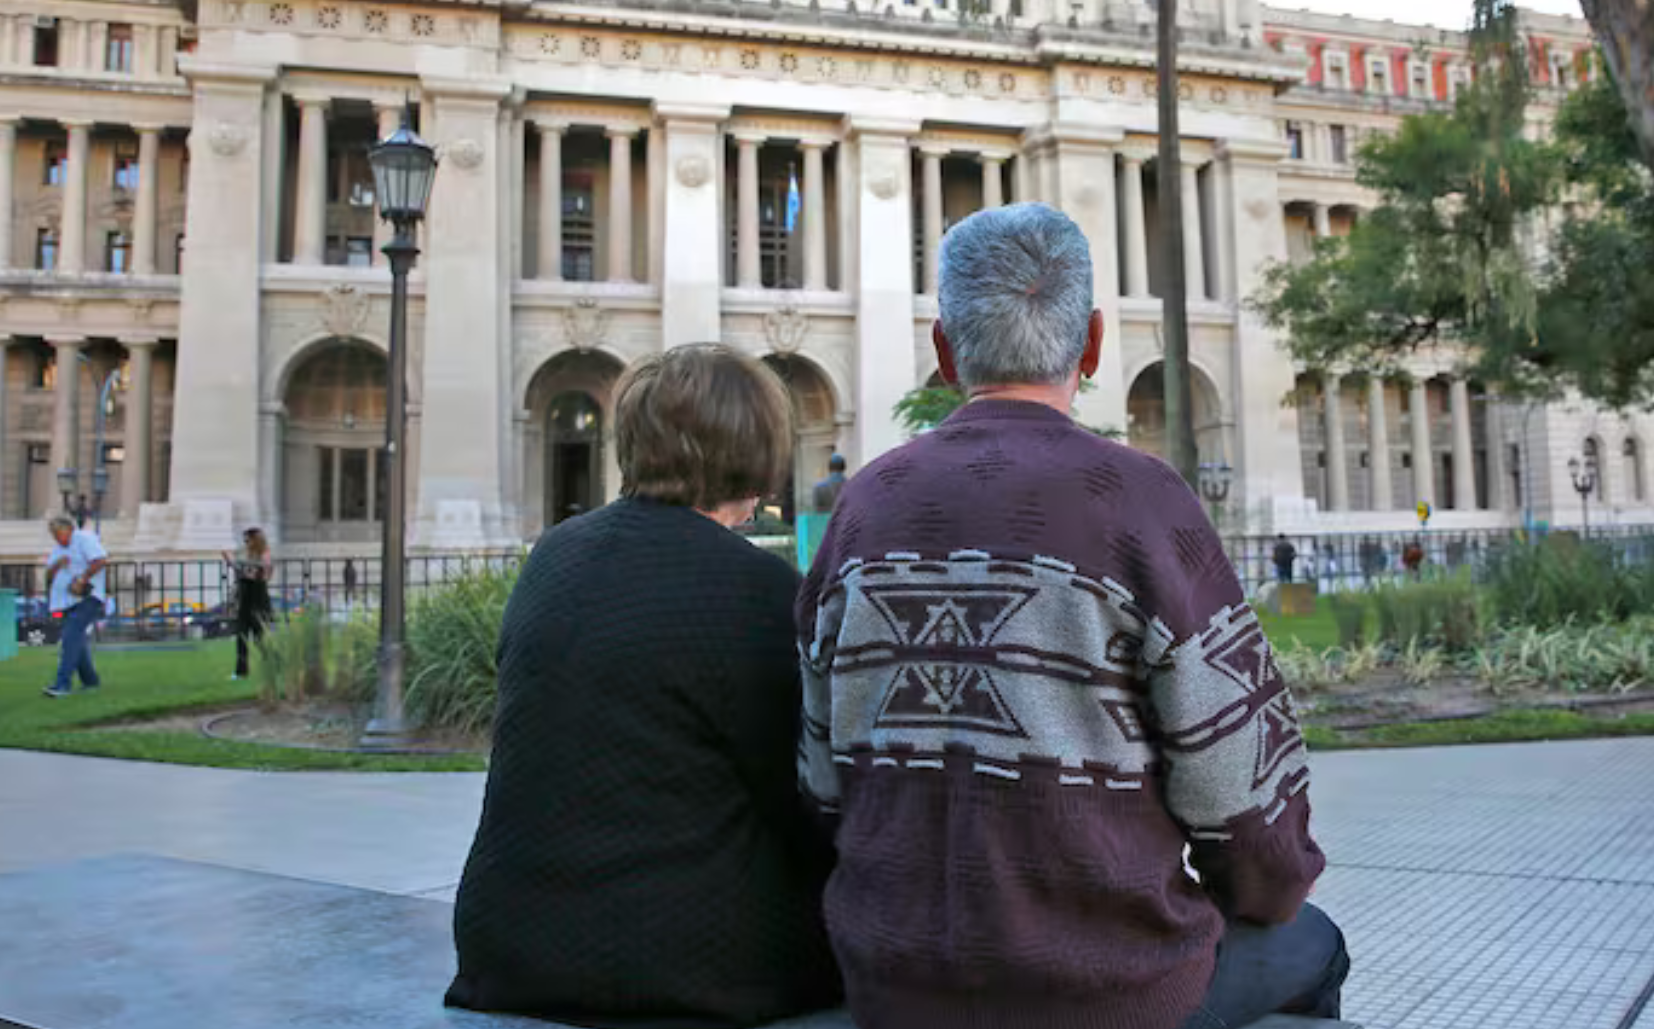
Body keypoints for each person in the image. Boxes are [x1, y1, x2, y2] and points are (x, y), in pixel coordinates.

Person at [797, 204, 1345, 1029]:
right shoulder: (1143, 501)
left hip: (891, 977)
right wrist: (1266, 887)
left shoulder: (863, 508)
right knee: (1314, 944)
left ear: (944, 351)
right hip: (1108, 988)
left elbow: (820, 781)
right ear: (1092, 343)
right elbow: (1243, 793)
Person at [447, 343, 842, 1028]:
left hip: (508, 942)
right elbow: (802, 800)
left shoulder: (555, 556)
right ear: (755, 450)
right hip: (681, 961)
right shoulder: (757, 589)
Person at [42, 516, 107, 698]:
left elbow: (100, 560)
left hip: (88, 597)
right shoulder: (58, 549)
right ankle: (90, 681)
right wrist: (57, 565)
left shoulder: (84, 539)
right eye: (54, 535)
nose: (57, 538)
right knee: (76, 640)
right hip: (65, 601)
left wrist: (83, 578)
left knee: (70, 638)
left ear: (70, 529)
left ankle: (62, 685)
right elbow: (48, 575)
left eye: (59, 533)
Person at [223, 528, 273, 681]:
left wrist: (239, 566)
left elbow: (263, 574)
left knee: (260, 640)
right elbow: (244, 573)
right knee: (241, 638)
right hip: (245, 602)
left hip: (258, 602)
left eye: (248, 540)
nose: (245, 543)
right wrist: (231, 563)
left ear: (255, 540)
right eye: (245, 540)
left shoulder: (265, 555)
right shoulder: (247, 556)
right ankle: (240, 672)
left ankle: (273, 665)